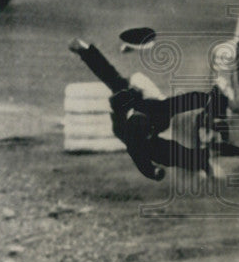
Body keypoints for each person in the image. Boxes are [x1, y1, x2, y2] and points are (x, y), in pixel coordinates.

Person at [68, 38, 227, 181]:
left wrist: (210, 98)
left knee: (124, 83)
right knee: (165, 154)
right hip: (138, 117)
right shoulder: (128, 134)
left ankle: (203, 156)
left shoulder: (148, 106)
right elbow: (140, 159)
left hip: (143, 99)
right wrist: (153, 171)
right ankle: (202, 163)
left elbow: (180, 102)